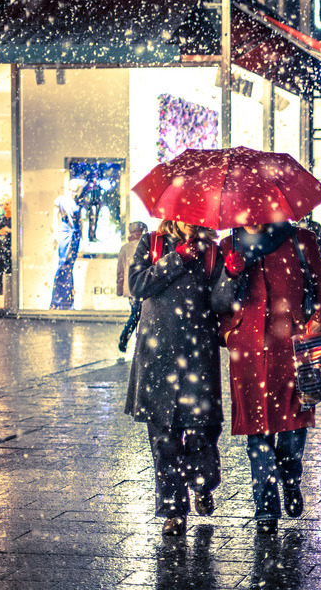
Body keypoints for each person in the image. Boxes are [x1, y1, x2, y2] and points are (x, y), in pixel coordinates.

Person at [212, 221, 321, 535]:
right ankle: (265, 507)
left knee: (294, 429)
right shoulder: (230, 245)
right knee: (258, 433)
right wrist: (230, 332)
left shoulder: (301, 239)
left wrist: (320, 321)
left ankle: (291, 478)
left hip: (294, 347)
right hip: (249, 352)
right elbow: (219, 303)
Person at [125, 220, 223, 536]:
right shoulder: (152, 243)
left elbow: (222, 303)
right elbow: (138, 285)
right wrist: (176, 259)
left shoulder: (212, 250)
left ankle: (203, 485)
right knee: (164, 440)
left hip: (198, 356)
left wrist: (232, 277)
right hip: (158, 357)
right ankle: (173, 512)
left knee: (201, 433)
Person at [50, 179, 84, 310]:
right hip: (64, 232)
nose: (77, 191)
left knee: (70, 266)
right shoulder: (61, 200)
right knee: (62, 264)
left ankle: (68, 302)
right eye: (77, 188)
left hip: (75, 234)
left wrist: (82, 239)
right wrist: (55, 235)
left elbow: (80, 221)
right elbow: (54, 218)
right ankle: (58, 300)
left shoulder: (77, 203)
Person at [117, 221, 148, 353]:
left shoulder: (125, 248)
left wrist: (120, 288)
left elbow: (120, 270)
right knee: (138, 315)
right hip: (141, 286)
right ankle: (127, 338)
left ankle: (128, 339)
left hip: (130, 288)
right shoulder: (144, 246)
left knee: (135, 314)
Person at [0, 201, 11, 297]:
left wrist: (8, 230)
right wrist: (0, 231)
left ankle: (9, 290)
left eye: (7, 204)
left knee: (9, 269)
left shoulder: (14, 219)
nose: (5, 206)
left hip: (9, 247)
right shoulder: (1, 218)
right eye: (4, 204)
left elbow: (18, 231)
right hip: (0, 246)